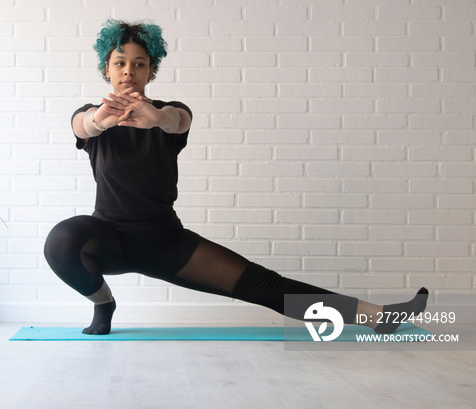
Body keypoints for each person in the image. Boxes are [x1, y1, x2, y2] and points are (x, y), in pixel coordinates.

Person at [44, 19, 428, 335]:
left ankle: (379, 317)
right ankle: (104, 304)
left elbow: (180, 121)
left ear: (151, 70)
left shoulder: (170, 112)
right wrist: (99, 120)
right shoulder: (93, 114)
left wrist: (157, 118)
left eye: (140, 63)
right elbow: (82, 128)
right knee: (62, 240)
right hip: (109, 237)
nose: (129, 71)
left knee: (266, 286)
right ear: (106, 69)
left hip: (166, 241)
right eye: (120, 63)